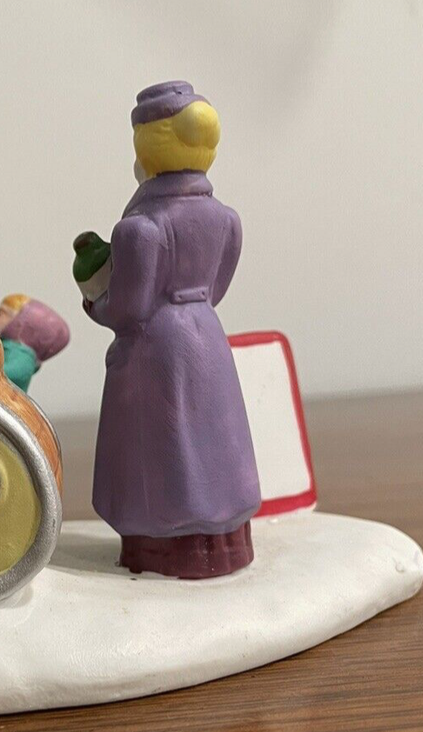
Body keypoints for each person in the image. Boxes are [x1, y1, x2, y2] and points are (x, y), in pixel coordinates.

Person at [80, 81, 261, 579]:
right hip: (207, 337)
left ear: (147, 148)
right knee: (213, 438)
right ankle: (222, 543)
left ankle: (164, 547)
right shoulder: (226, 220)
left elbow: (129, 309)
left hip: (158, 347)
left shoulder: (140, 228)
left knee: (166, 444)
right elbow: (215, 289)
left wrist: (95, 301)